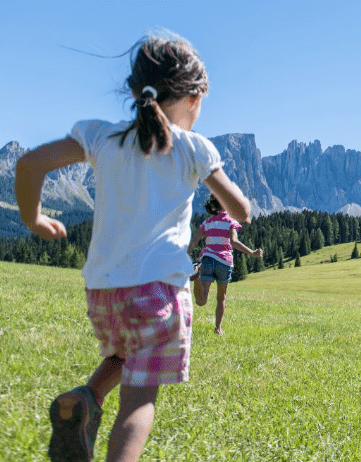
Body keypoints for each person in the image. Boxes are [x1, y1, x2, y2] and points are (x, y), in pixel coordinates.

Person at [15, 30, 252, 462]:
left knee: (126, 353)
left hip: (103, 293)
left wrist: (33, 219)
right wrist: (235, 200)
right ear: (195, 100)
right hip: (159, 292)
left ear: (133, 89)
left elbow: (30, 163)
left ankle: (84, 399)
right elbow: (240, 208)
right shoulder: (193, 147)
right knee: (139, 402)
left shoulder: (100, 137)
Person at [189, 194, 263, 335]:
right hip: (224, 262)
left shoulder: (206, 223)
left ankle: (197, 277)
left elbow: (194, 241)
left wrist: (185, 255)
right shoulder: (230, 221)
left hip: (207, 260)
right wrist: (252, 252)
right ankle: (218, 328)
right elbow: (234, 242)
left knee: (201, 300)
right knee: (221, 297)